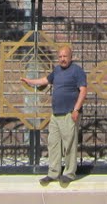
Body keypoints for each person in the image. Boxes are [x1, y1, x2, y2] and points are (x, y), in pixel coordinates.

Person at [21, 44, 87, 186]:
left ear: (71, 57)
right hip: (56, 115)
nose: (62, 59)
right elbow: (45, 80)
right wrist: (30, 81)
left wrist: (76, 109)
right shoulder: (56, 70)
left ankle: (69, 173)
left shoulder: (77, 71)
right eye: (60, 56)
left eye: (65, 56)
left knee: (69, 144)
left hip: (69, 114)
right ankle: (53, 173)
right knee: (53, 144)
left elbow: (83, 91)